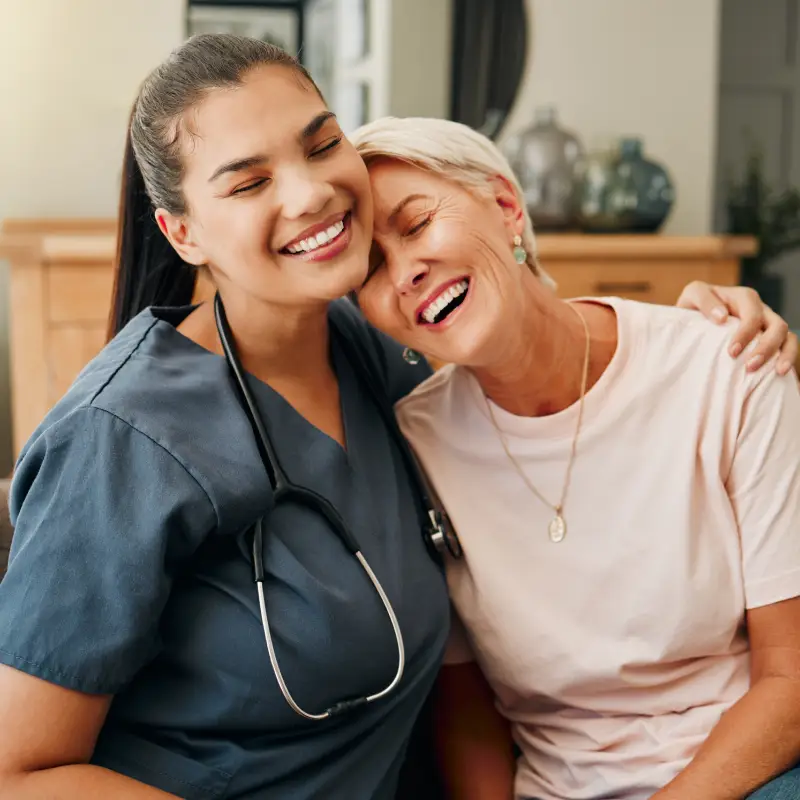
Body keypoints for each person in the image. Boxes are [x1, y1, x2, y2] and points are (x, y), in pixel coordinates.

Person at [0, 34, 791, 800]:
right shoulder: (119, 441)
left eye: (320, 145)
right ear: (183, 232)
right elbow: (18, 771)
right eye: (248, 183)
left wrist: (708, 325)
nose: (309, 194)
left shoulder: (378, 355)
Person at [350, 115, 800, 800]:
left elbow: (791, 679)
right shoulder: (413, 446)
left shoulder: (732, 367)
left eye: (416, 225)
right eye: (372, 269)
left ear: (505, 207)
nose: (407, 271)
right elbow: (467, 712)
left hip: (747, 778)